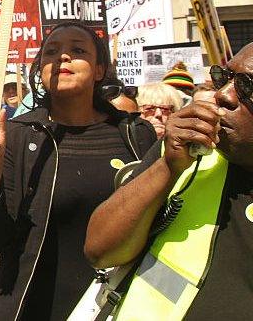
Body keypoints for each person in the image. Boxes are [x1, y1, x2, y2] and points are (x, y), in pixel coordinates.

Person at [0, 23, 157, 320]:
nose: (62, 58)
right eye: (51, 52)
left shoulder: (136, 136)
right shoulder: (17, 135)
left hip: (115, 308)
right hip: (29, 307)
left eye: (78, 50)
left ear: (99, 69)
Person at [84, 44, 253, 320]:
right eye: (224, 77)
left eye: (248, 87)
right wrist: (167, 167)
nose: (223, 95)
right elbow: (100, 251)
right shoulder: (185, 151)